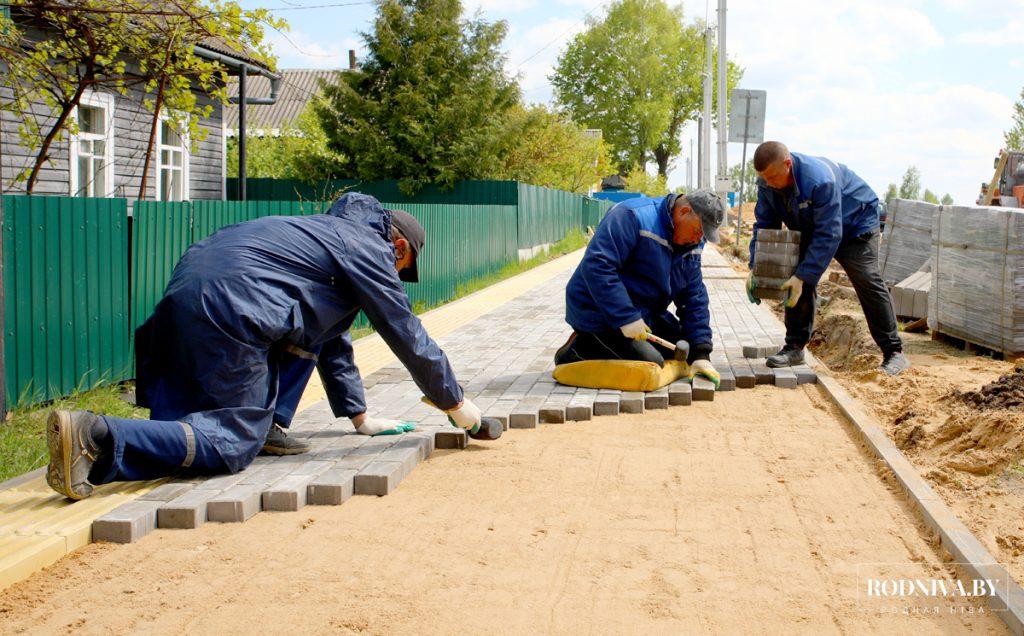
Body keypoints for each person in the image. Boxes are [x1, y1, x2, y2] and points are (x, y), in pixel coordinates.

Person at [45, 193, 482, 500]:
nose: (397, 274)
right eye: (403, 268)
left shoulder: (322, 235)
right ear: (399, 245)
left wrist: (359, 416)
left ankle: (264, 425)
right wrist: (456, 403)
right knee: (228, 444)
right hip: (233, 308)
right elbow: (405, 332)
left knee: (202, 422)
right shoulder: (369, 246)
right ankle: (96, 435)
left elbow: (330, 338)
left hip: (186, 301)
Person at [746, 141, 910, 376]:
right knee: (796, 273)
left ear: (788, 164)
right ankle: (794, 347)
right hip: (814, 225)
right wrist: (756, 266)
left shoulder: (820, 180)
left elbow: (830, 233)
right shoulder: (767, 182)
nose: (769, 183)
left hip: (855, 224)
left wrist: (803, 276)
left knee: (865, 279)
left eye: (772, 177)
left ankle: (894, 352)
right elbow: (765, 227)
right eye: (764, 179)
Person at [555, 188, 725, 386]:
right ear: (684, 212)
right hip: (598, 312)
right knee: (649, 362)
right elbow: (597, 265)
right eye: (698, 231)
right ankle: (576, 349)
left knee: (684, 352)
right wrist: (625, 317)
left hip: (643, 316)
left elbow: (693, 295)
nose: (699, 239)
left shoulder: (692, 244)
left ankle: (612, 343)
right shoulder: (631, 216)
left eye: (703, 235)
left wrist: (701, 353)